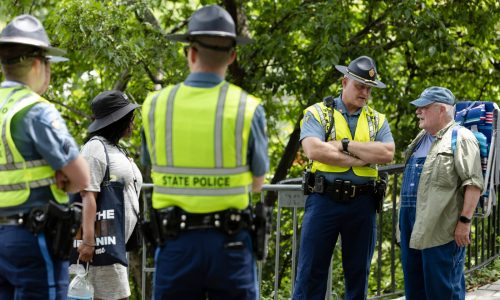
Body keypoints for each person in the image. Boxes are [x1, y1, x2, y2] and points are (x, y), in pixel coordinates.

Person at [141, 4, 268, 299]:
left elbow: (150, 163)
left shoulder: (157, 106)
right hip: (231, 244)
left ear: (191, 53)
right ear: (233, 55)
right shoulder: (247, 108)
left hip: (175, 243)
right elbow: (258, 182)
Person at [0, 14, 90, 299]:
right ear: (39, 64)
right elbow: (81, 178)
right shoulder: (36, 110)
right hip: (33, 238)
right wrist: (62, 175)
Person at [294, 55, 395, 300]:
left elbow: (387, 152)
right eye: (360, 86)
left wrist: (344, 144)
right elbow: (314, 150)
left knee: (358, 274)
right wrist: (362, 156)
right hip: (323, 199)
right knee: (310, 274)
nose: (365, 93)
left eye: (369, 88)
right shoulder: (318, 113)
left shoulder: (376, 119)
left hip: (363, 203)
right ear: (344, 82)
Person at [399, 86, 484, 299]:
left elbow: (473, 184)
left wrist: (464, 222)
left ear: (442, 110)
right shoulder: (420, 138)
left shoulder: (461, 137)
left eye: (424, 107)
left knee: (443, 290)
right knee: (415, 289)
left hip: (442, 228)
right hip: (411, 226)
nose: (418, 111)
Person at [77, 90, 143, 300]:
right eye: (129, 118)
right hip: (101, 246)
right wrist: (88, 242)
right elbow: (88, 195)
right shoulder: (94, 148)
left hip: (116, 244)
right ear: (118, 120)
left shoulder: (115, 149)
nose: (132, 123)